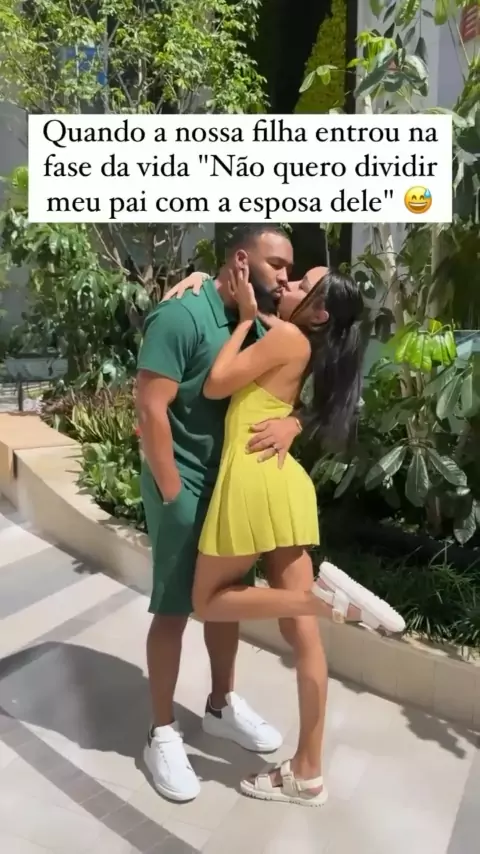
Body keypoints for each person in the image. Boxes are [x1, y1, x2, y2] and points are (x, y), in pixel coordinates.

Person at [176, 262, 405, 807]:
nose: (288, 283)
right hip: (283, 483)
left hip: (252, 478)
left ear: (319, 313)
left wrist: (242, 321)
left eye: (302, 285)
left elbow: (216, 383)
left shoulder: (284, 336)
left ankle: (322, 600)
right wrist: (205, 278)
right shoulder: (305, 342)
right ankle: (308, 771)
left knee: (208, 602)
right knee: (303, 639)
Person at [136, 225, 309, 803]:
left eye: (289, 269)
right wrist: (170, 491)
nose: (285, 275)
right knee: (173, 606)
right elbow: (150, 408)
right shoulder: (181, 314)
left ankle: (220, 704)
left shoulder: (259, 321)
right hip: (183, 484)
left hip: (233, 485)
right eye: (277, 264)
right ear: (241, 260)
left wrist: (294, 423)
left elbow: (297, 382)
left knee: (223, 597)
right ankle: (162, 732)